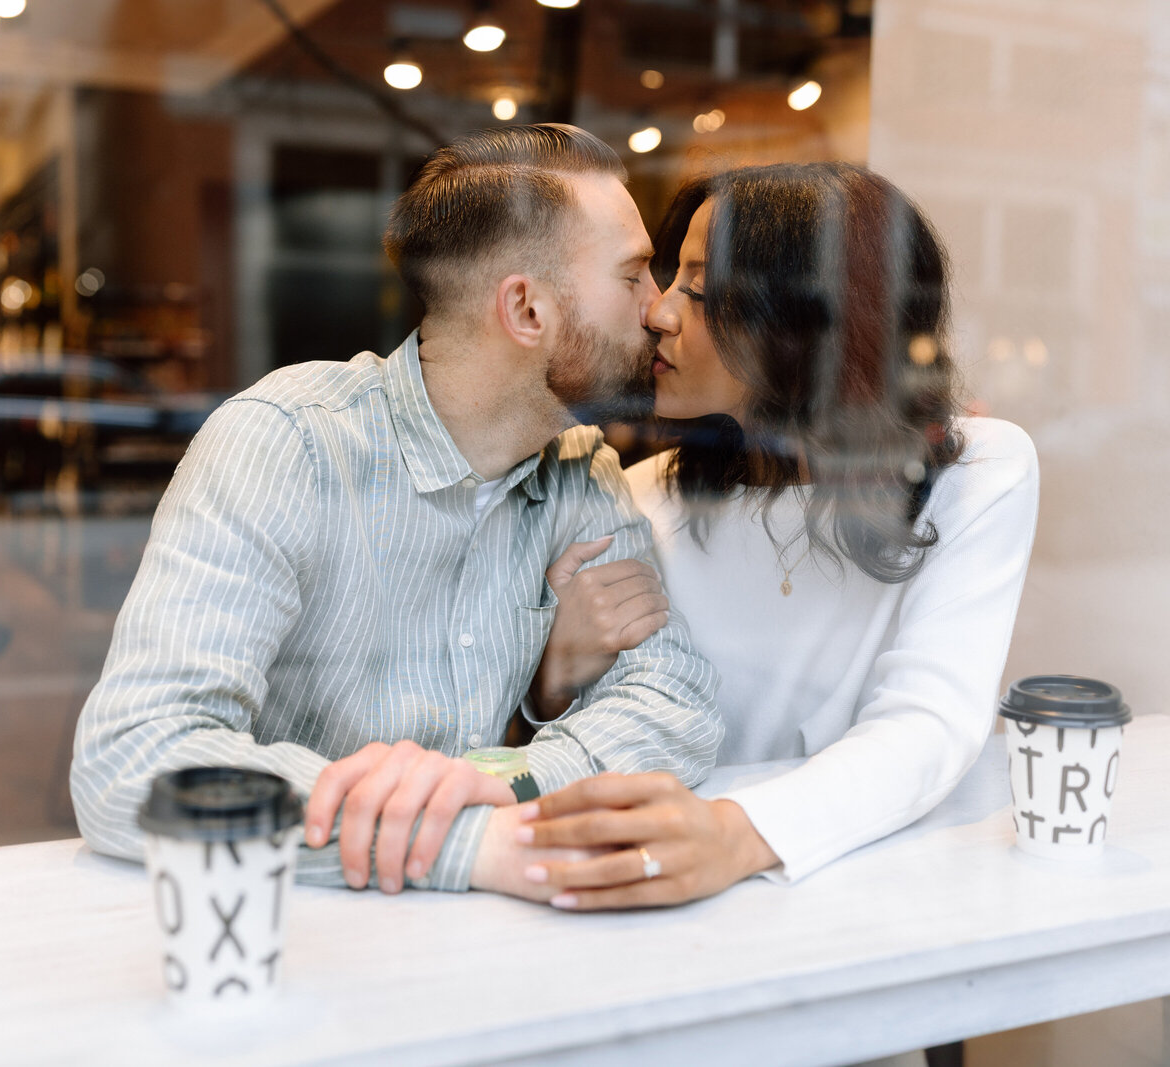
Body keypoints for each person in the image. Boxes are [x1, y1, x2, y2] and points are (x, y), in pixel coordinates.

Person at [70, 124, 721, 900]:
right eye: (634, 274)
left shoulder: (580, 466)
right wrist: (464, 841)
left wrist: (499, 784)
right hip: (284, 940)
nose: (658, 310)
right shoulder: (287, 444)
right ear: (527, 310)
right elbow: (135, 754)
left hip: (480, 949)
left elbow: (675, 699)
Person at [507, 162, 1039, 909]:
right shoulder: (637, 496)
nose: (659, 312)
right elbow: (565, 747)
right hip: (668, 902)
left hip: (868, 898)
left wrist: (731, 835)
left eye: (699, 286)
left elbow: (929, 724)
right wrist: (549, 682)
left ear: (804, 319)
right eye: (669, 279)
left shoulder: (976, 471)